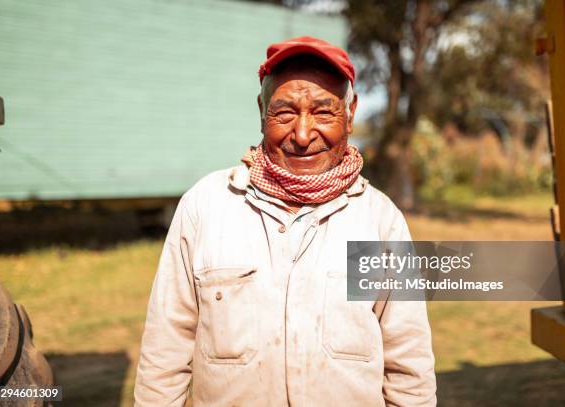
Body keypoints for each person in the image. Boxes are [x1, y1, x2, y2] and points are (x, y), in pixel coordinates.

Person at [134, 36, 436, 407]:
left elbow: (409, 366)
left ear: (351, 114)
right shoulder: (206, 207)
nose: (304, 134)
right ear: (262, 110)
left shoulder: (379, 220)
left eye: (324, 112)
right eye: (285, 113)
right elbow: (165, 352)